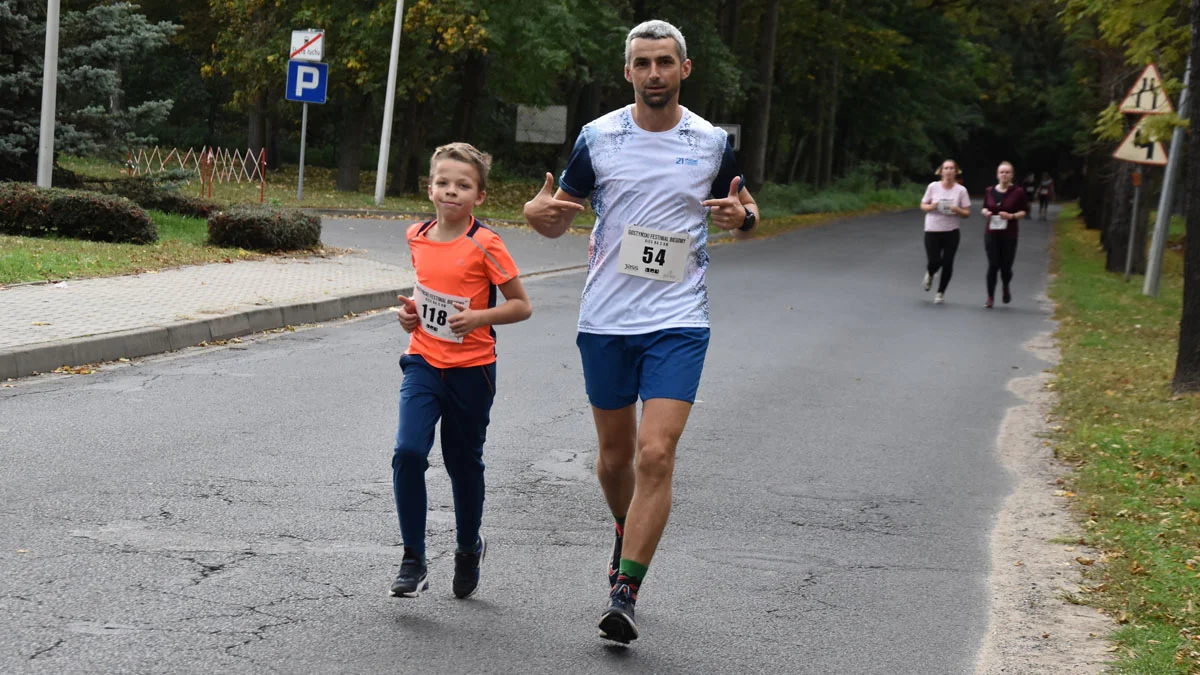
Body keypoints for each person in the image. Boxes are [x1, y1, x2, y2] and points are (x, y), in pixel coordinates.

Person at [522, 19, 759, 644]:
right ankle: (627, 529)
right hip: (606, 319)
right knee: (615, 458)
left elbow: (742, 206)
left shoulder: (711, 142)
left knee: (656, 452)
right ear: (627, 72)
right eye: (642, 63)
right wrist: (534, 214)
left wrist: (745, 217)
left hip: (680, 320)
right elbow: (557, 219)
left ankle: (624, 590)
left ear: (685, 69)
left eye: (665, 62)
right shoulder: (597, 138)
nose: (654, 73)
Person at [389, 143, 533, 600]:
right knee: (408, 451)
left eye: (463, 185)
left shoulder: (485, 243)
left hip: (472, 370)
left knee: (461, 464)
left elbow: (521, 306)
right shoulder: (417, 234)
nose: (452, 191)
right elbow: (426, 295)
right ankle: (413, 558)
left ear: (480, 196)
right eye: (444, 183)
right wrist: (410, 315)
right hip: (424, 361)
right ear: (430, 188)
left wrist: (477, 318)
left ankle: (468, 547)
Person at [919, 160, 971, 304]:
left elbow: (967, 213)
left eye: (951, 168)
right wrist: (932, 206)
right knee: (934, 260)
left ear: (956, 171)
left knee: (948, 262)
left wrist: (957, 209)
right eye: (946, 168)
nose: (948, 171)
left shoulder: (961, 190)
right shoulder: (933, 187)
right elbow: (923, 205)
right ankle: (930, 274)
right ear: (941, 171)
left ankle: (940, 293)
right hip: (932, 228)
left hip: (951, 231)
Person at [980, 161, 1029, 309]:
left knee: (1006, 267)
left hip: (1009, 234)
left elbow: (1024, 211)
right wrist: (986, 213)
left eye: (1007, 172)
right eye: (1002, 172)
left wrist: (1011, 216)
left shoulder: (1018, 192)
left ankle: (1005, 285)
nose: (1004, 175)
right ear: (997, 175)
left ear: (1012, 175)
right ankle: (990, 297)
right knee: (993, 265)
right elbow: (984, 208)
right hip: (991, 233)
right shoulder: (989, 191)